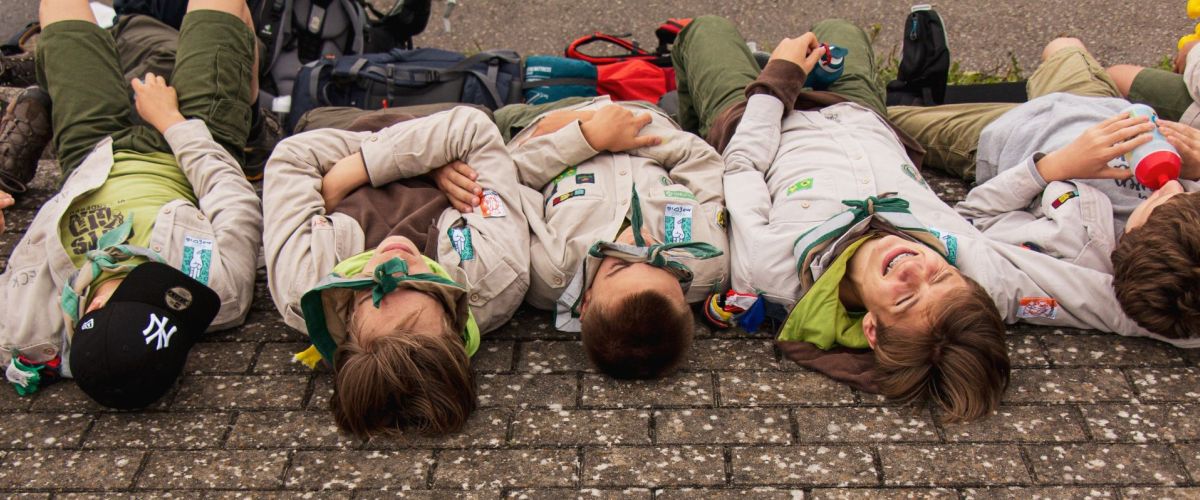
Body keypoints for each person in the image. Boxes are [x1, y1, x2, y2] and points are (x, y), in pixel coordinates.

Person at [671, 16, 1145, 422]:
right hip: (860, 114)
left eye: (905, 299)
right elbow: (1112, 307)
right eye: (940, 276)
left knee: (706, 30)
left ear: (872, 329)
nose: (916, 269)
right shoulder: (985, 279)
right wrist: (1048, 168)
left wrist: (780, 78)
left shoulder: (772, 271)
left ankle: (693, 116)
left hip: (756, 114)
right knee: (841, 29)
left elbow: (743, 166)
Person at [0, 0, 262, 408]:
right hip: (191, 145)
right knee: (225, 7)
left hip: (92, 153)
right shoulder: (214, 297)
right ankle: (255, 126)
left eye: (147, 292)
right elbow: (235, 200)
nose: (172, 296)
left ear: (95, 304)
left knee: (58, 8)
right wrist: (171, 121)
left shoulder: (23, 325)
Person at [890, 38, 1200, 344]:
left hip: (1008, 135)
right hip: (1096, 106)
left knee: (889, 120)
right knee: (1064, 45)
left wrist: (1054, 167)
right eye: (1186, 192)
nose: (1172, 184)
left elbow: (975, 216)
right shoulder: (1188, 223)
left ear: (1130, 239)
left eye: (1159, 199)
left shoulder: (1067, 247)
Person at [262, 105, 531, 439]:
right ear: (451, 323)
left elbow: (292, 156)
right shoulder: (496, 273)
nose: (395, 261)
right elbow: (473, 129)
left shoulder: (301, 283)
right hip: (443, 111)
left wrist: (360, 169)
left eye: (375, 288)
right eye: (419, 286)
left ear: (349, 328)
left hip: (335, 128)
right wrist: (422, 163)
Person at [466, 96, 729, 379]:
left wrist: (586, 133)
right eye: (662, 262)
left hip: (550, 117)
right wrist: (630, 131)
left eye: (621, 265)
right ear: (684, 298)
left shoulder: (548, 266)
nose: (640, 242)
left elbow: (507, 178)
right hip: (648, 115)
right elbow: (701, 162)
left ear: (585, 303)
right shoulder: (708, 262)